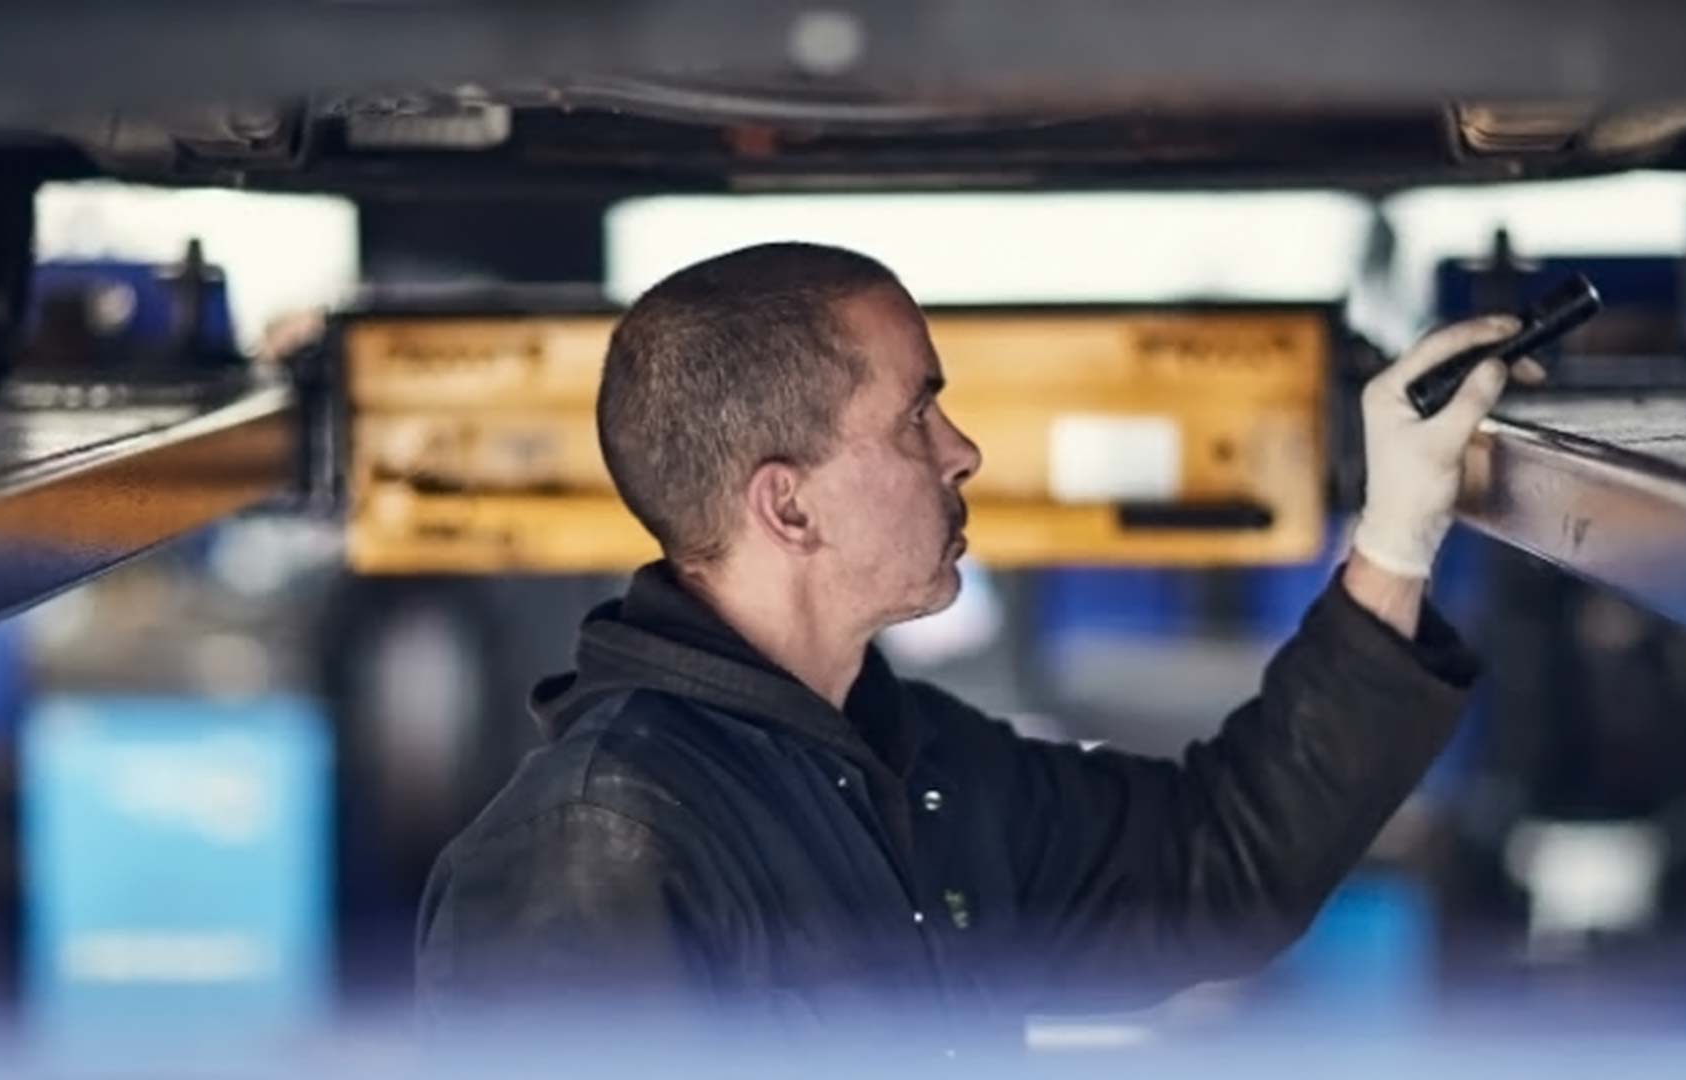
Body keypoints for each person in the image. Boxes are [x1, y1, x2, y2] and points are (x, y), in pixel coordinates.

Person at [414, 242, 1534, 1053]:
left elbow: (1218, 868)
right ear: (788, 509)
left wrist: (1396, 533)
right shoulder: (593, 846)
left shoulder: (913, 763)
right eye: (917, 418)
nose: (965, 452)